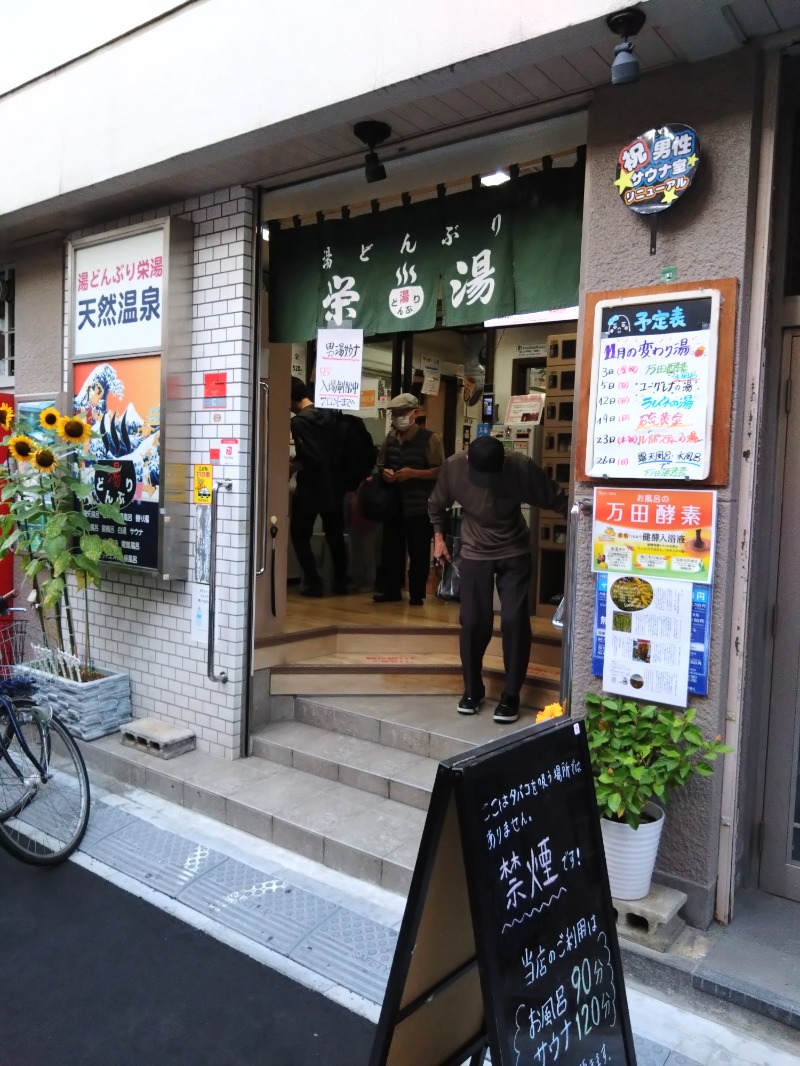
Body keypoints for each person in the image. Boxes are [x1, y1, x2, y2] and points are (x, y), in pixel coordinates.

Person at [429, 434, 568, 724]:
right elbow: (436, 505)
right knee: (473, 620)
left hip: (514, 549)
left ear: (503, 462)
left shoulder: (520, 467)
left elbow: (558, 500)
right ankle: (473, 690)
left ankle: (511, 694)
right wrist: (439, 539)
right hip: (476, 551)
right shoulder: (454, 467)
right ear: (468, 459)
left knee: (515, 620)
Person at [374, 393, 444, 606]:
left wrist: (414, 473)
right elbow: (381, 463)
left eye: (402, 413)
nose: (398, 418)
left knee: (419, 551)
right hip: (393, 503)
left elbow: (440, 470)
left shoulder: (429, 438)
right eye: (395, 414)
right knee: (391, 550)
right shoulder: (391, 437)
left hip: (419, 504)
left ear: (415, 413)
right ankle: (391, 590)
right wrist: (385, 473)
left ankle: (416, 593)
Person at [289, 376, 348, 597]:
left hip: (311, 486)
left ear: (291, 397)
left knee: (298, 535)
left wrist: (294, 465)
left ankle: (314, 582)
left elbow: (312, 458)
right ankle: (341, 583)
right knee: (335, 535)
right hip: (334, 483)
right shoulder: (328, 414)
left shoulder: (299, 422)